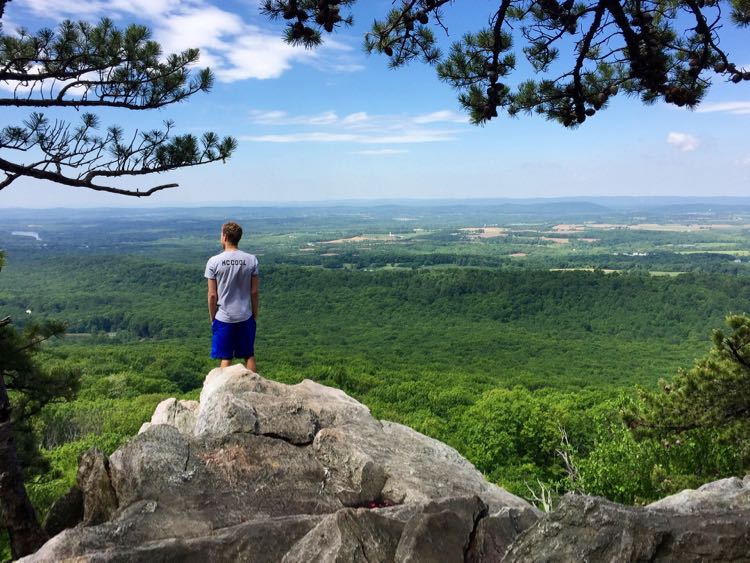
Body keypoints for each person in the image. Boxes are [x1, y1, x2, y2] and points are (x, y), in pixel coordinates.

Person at [205, 221, 260, 371]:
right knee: (249, 354)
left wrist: (213, 318)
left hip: (224, 317)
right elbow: (254, 292)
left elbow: (212, 295)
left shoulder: (213, 262)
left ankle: (224, 391)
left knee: (226, 357)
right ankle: (254, 388)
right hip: (245, 315)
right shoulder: (251, 260)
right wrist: (254, 315)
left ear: (224, 236)